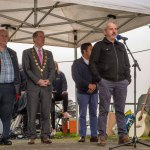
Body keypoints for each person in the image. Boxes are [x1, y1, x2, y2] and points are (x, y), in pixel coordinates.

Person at [89, 21, 131, 146]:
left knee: (120, 110)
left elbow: (127, 64)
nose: (114, 31)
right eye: (111, 29)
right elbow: (92, 64)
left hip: (121, 82)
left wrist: (127, 79)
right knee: (104, 110)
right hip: (105, 81)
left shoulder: (121, 46)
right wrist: (99, 80)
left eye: (115, 29)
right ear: (105, 31)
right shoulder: (99, 46)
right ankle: (102, 136)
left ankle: (122, 136)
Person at [22, 31, 55, 144]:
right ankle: (32, 136)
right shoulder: (26, 53)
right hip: (33, 87)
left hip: (46, 87)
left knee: (46, 112)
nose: (43, 38)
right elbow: (27, 69)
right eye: (41, 37)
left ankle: (45, 135)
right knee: (32, 112)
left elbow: (52, 70)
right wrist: (38, 81)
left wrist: (49, 80)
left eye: (44, 37)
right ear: (34, 39)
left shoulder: (49, 53)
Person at [72, 43, 98, 142]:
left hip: (94, 92)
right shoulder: (76, 63)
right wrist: (88, 85)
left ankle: (94, 135)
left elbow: (99, 76)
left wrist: (95, 85)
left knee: (93, 114)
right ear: (84, 51)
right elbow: (76, 78)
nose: (93, 51)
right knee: (83, 114)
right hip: (82, 92)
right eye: (91, 49)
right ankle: (82, 135)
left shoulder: (95, 62)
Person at [0, 29, 20, 145]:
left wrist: (18, 88)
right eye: (1, 36)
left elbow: (17, 71)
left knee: (7, 113)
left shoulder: (13, 53)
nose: (3, 38)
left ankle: (5, 137)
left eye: (6, 36)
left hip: (10, 88)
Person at [51, 61, 71, 136]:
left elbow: (64, 83)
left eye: (55, 66)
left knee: (65, 93)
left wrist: (63, 90)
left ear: (57, 66)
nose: (54, 68)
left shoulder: (61, 74)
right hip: (51, 95)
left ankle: (65, 112)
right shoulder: (48, 75)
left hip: (60, 94)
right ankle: (53, 129)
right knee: (52, 111)